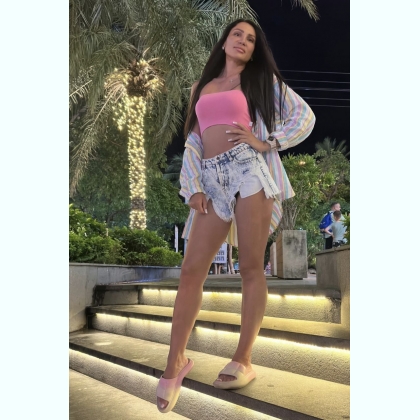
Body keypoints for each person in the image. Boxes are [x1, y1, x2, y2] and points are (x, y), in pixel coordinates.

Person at [156, 18, 315, 413]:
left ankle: (243, 359)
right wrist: (192, 185)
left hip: (249, 171)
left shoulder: (261, 81)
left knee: (250, 267)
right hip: (210, 180)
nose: (243, 41)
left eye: (251, 38)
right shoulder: (201, 87)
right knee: (191, 269)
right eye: (237, 35)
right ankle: (175, 362)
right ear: (224, 42)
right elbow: (194, 140)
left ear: (255, 49)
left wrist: (267, 141)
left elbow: (303, 116)